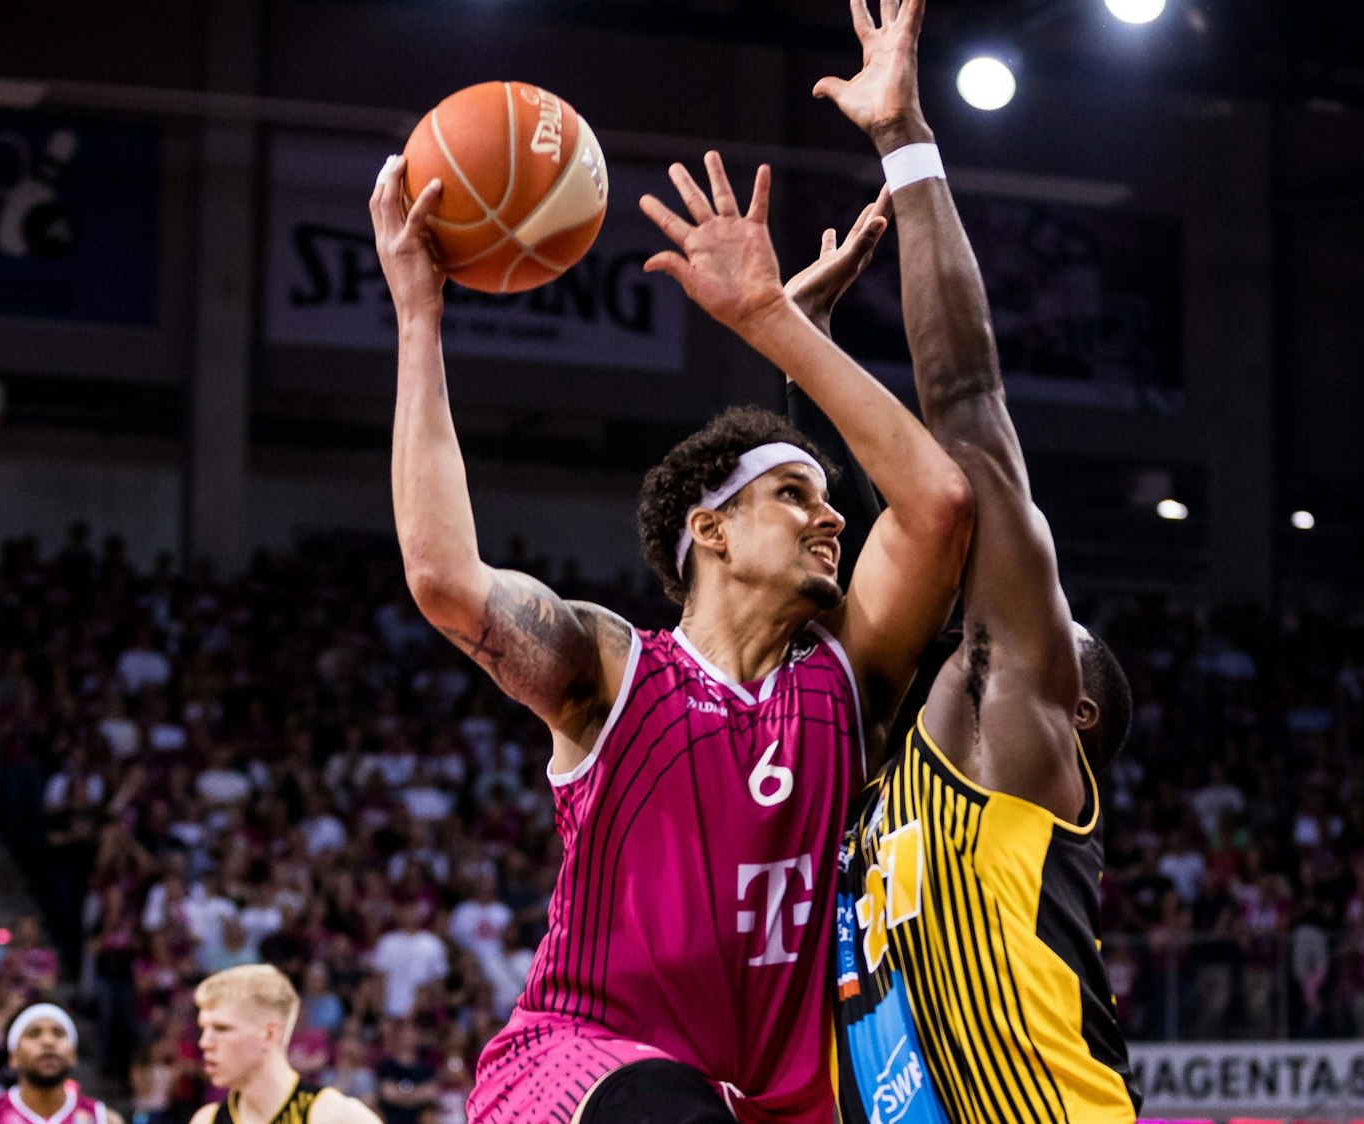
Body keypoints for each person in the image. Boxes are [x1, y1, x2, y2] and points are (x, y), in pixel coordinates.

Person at [374, 132, 970, 1122]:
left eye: (826, 500)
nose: (832, 517)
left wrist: (780, 323)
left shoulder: (846, 675)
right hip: (583, 1062)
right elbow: (443, 579)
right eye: (793, 494)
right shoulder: (612, 669)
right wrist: (416, 313)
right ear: (712, 528)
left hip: (775, 1100)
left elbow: (938, 503)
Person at [805, 1, 1140, 1117]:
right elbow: (898, 528)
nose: (1037, 610)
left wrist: (904, 143)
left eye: (1059, 625)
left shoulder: (1013, 733)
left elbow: (966, 408)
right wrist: (800, 353)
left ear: (1073, 709)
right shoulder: (886, 778)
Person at [189, 964, 379, 1124]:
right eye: (204, 1029)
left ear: (269, 1034)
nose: (205, 1042)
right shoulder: (206, 1120)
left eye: (222, 1028)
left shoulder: (336, 1117)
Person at [0, 1003, 123, 1124]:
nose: (48, 1041)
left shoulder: (106, 1120)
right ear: (13, 1057)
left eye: (58, 1033)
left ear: (72, 1054)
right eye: (34, 1033)